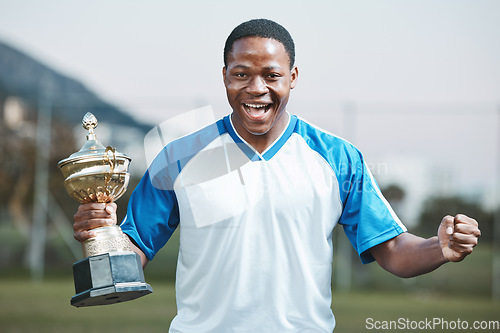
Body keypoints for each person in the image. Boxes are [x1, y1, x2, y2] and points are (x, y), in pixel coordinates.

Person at [73, 19, 481, 332]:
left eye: (271, 75)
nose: (256, 88)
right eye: (241, 74)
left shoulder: (337, 158)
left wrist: (438, 248)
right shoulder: (179, 156)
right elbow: (135, 254)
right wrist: (102, 237)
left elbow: (393, 250)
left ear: (293, 78)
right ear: (225, 76)